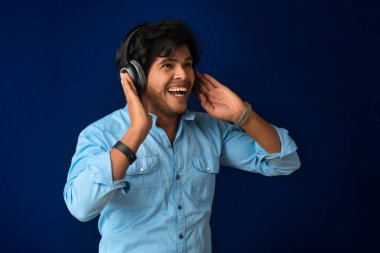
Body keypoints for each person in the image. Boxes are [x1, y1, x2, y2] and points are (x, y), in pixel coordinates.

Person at [63, 19, 301, 253]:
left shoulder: (211, 130)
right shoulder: (100, 134)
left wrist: (243, 115)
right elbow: (81, 207)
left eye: (187, 65)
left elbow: (284, 162)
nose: (184, 76)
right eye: (168, 65)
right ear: (137, 76)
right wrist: (136, 132)